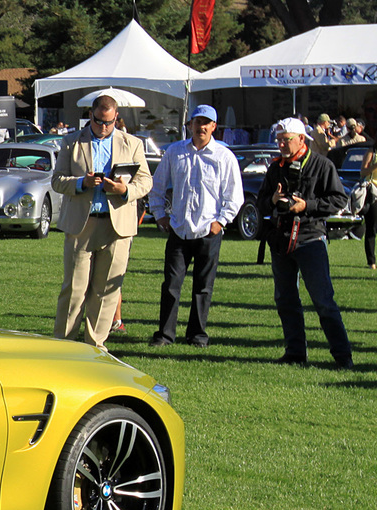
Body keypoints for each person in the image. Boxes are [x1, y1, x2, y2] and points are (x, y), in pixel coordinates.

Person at [51, 95, 153, 347]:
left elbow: (146, 181)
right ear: (91, 116)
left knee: (106, 290)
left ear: (116, 118)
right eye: (98, 122)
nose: (104, 127)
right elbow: (56, 180)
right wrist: (80, 183)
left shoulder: (132, 143)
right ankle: (63, 345)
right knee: (75, 289)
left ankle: (95, 345)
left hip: (117, 225)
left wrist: (124, 191)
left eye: (110, 122)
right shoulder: (71, 142)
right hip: (81, 225)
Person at [259, 117, 353, 368]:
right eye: (278, 140)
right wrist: (273, 199)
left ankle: (343, 357)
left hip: (310, 239)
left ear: (301, 139)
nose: (280, 144)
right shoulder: (275, 167)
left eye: (285, 140)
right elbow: (262, 202)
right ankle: (295, 352)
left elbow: (338, 200)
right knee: (285, 299)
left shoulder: (322, 165)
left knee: (323, 300)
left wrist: (307, 206)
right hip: (281, 240)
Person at [146, 105, 243, 348]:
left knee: (203, 287)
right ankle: (165, 335)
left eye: (206, 123)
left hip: (208, 231)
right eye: (197, 122)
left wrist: (221, 221)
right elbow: (157, 186)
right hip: (179, 229)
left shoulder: (224, 156)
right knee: (171, 285)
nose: (201, 127)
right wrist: (159, 214)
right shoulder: (174, 152)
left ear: (213, 127)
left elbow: (234, 195)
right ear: (189, 125)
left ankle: (197, 335)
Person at [360, 146, 377, 271]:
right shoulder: (372, 152)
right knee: (372, 227)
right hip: (374, 193)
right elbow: (363, 172)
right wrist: (374, 166)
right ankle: (371, 261)